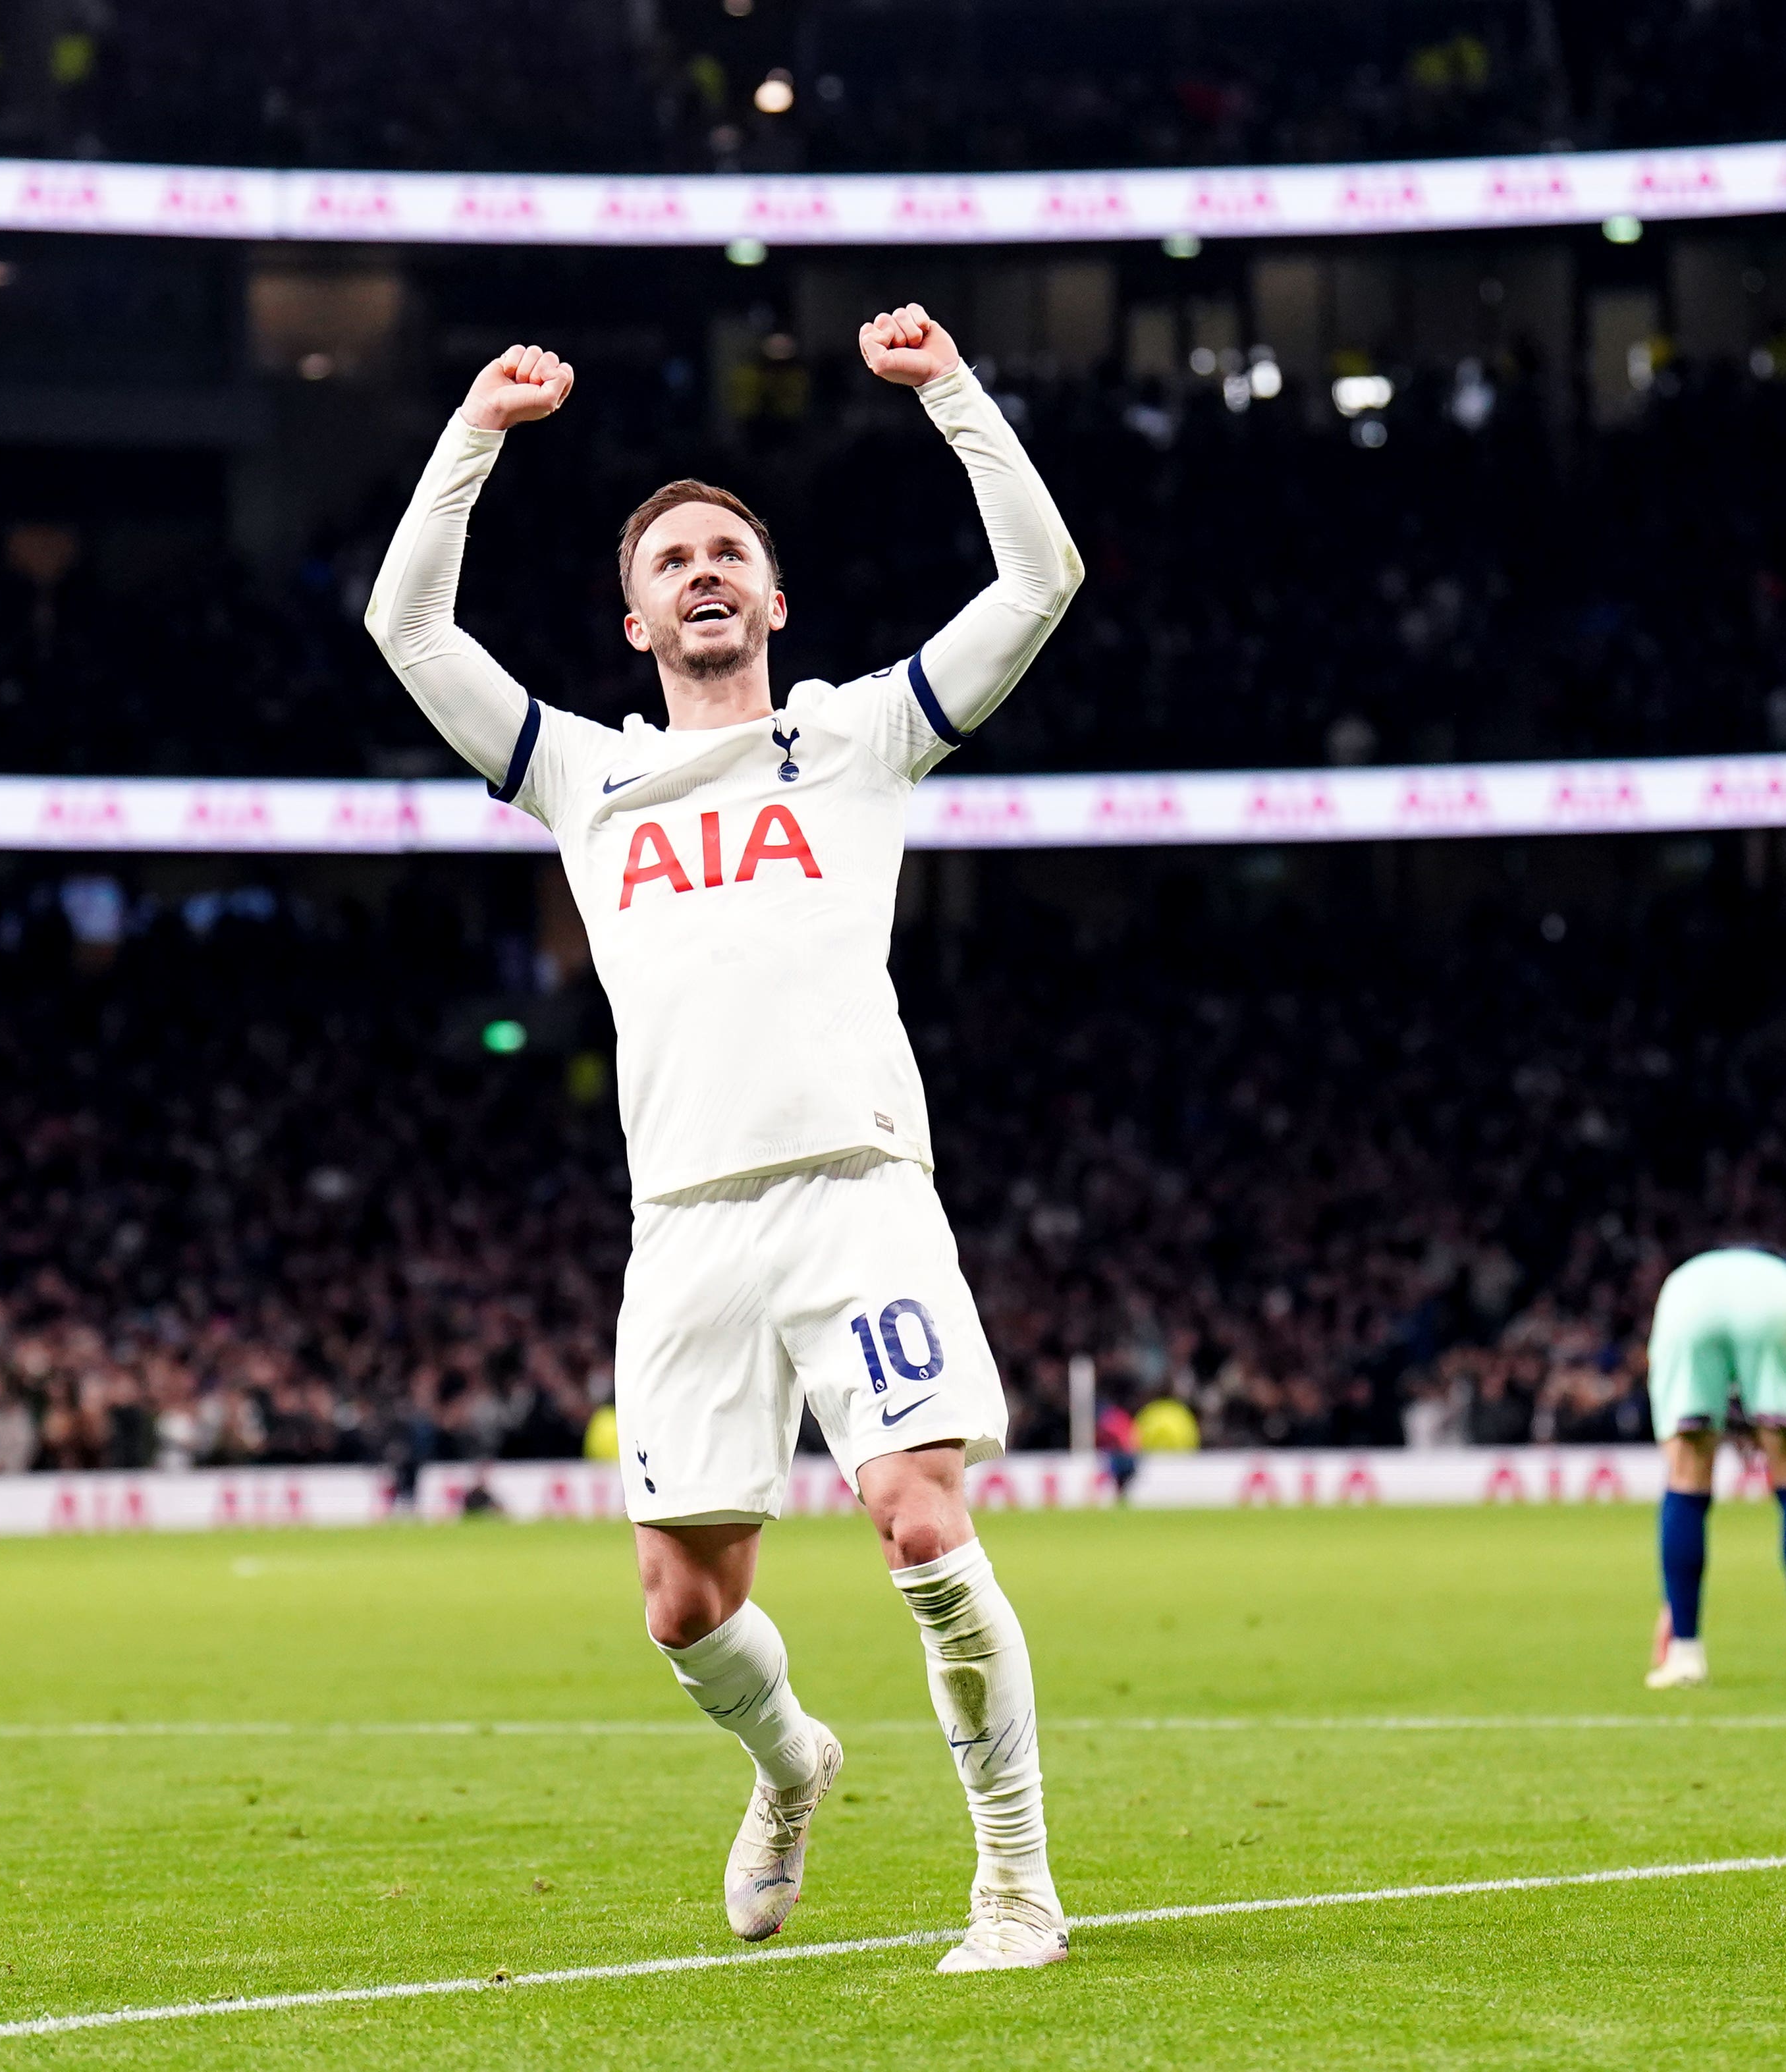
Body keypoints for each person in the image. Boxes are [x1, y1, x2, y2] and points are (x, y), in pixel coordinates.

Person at [365, 305, 1083, 1971]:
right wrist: (475, 431)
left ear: (772, 602)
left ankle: (1017, 1885)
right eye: (673, 557)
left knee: (918, 1512)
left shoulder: (856, 735)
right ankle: (792, 1762)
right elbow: (407, 626)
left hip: (857, 1192)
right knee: (684, 1604)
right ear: (635, 617)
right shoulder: (581, 779)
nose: (701, 569)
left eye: (728, 553)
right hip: (684, 1223)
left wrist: (952, 395)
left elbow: (1039, 581)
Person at [1640, 1245, 1786, 1690]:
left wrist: (1672, 1603)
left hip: (1686, 1297)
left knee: (1686, 1476)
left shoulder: (1705, 1276)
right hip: (1776, 1307)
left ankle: (1684, 1654)